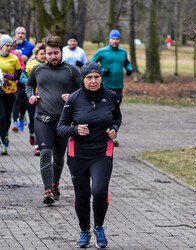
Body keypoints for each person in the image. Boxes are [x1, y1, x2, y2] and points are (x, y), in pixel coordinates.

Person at [57, 61, 122, 248]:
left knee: (99, 191)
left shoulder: (111, 96)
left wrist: (114, 128)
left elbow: (117, 117)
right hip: (78, 154)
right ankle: (84, 231)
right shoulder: (74, 99)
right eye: (89, 77)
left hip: (102, 152)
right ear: (83, 79)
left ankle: (99, 228)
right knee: (83, 195)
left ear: (101, 78)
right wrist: (75, 130)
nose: (93, 81)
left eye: (97, 77)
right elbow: (61, 127)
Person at [26, 35, 81, 203]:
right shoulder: (38, 70)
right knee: (45, 153)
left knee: (58, 156)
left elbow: (82, 91)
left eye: (56, 53)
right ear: (45, 53)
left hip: (63, 122)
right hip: (42, 118)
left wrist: (72, 97)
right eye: (49, 54)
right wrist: (31, 96)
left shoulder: (71, 71)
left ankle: (55, 183)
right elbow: (29, 85)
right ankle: (47, 190)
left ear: (61, 52)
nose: (53, 57)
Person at [91, 29, 132, 146]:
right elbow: (91, 64)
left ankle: (112, 135)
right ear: (109, 39)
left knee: (115, 112)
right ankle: (100, 134)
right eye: (113, 39)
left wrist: (129, 68)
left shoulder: (123, 52)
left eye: (117, 39)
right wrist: (103, 70)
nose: (115, 41)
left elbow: (127, 63)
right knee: (104, 111)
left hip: (118, 86)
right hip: (105, 86)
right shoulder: (102, 51)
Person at [19, 43, 46, 156]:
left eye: (46, 53)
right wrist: (32, 83)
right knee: (32, 122)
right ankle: (31, 133)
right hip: (31, 98)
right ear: (36, 54)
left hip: (44, 99)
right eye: (42, 54)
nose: (44, 56)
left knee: (41, 121)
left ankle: (38, 145)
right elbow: (21, 78)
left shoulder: (50, 65)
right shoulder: (30, 65)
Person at [12, 26, 35, 132]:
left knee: (24, 100)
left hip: (26, 77)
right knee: (16, 99)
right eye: (18, 33)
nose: (20, 35)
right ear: (15, 34)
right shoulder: (11, 45)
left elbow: (36, 58)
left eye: (22, 33)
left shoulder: (30, 46)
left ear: (25, 35)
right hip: (14, 77)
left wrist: (28, 59)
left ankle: (21, 119)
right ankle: (15, 120)